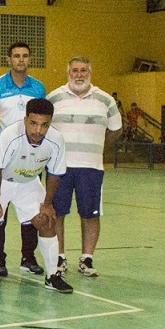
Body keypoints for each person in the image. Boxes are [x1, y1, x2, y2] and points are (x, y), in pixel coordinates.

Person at [0, 98, 72, 297]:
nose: (38, 131)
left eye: (44, 125)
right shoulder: (10, 136)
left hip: (28, 182)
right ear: (25, 119)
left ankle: (52, 277)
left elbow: (55, 173)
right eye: (33, 123)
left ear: (50, 123)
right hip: (2, 181)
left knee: (47, 221)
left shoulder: (56, 140)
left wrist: (47, 204)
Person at [48, 57, 122, 277]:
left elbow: (116, 129)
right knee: (57, 213)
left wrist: (96, 148)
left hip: (91, 168)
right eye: (74, 70)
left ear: (90, 72)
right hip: (59, 168)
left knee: (90, 215)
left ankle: (86, 259)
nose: (78, 74)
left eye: (83, 70)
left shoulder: (105, 100)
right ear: (67, 72)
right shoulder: (54, 97)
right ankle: (59, 258)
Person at [0, 41, 46, 276]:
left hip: (30, 159)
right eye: (16, 56)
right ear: (8, 59)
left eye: (25, 56)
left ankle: (28, 257)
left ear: (29, 59)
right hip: (3, 160)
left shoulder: (39, 88)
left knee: (31, 211)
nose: (21, 60)